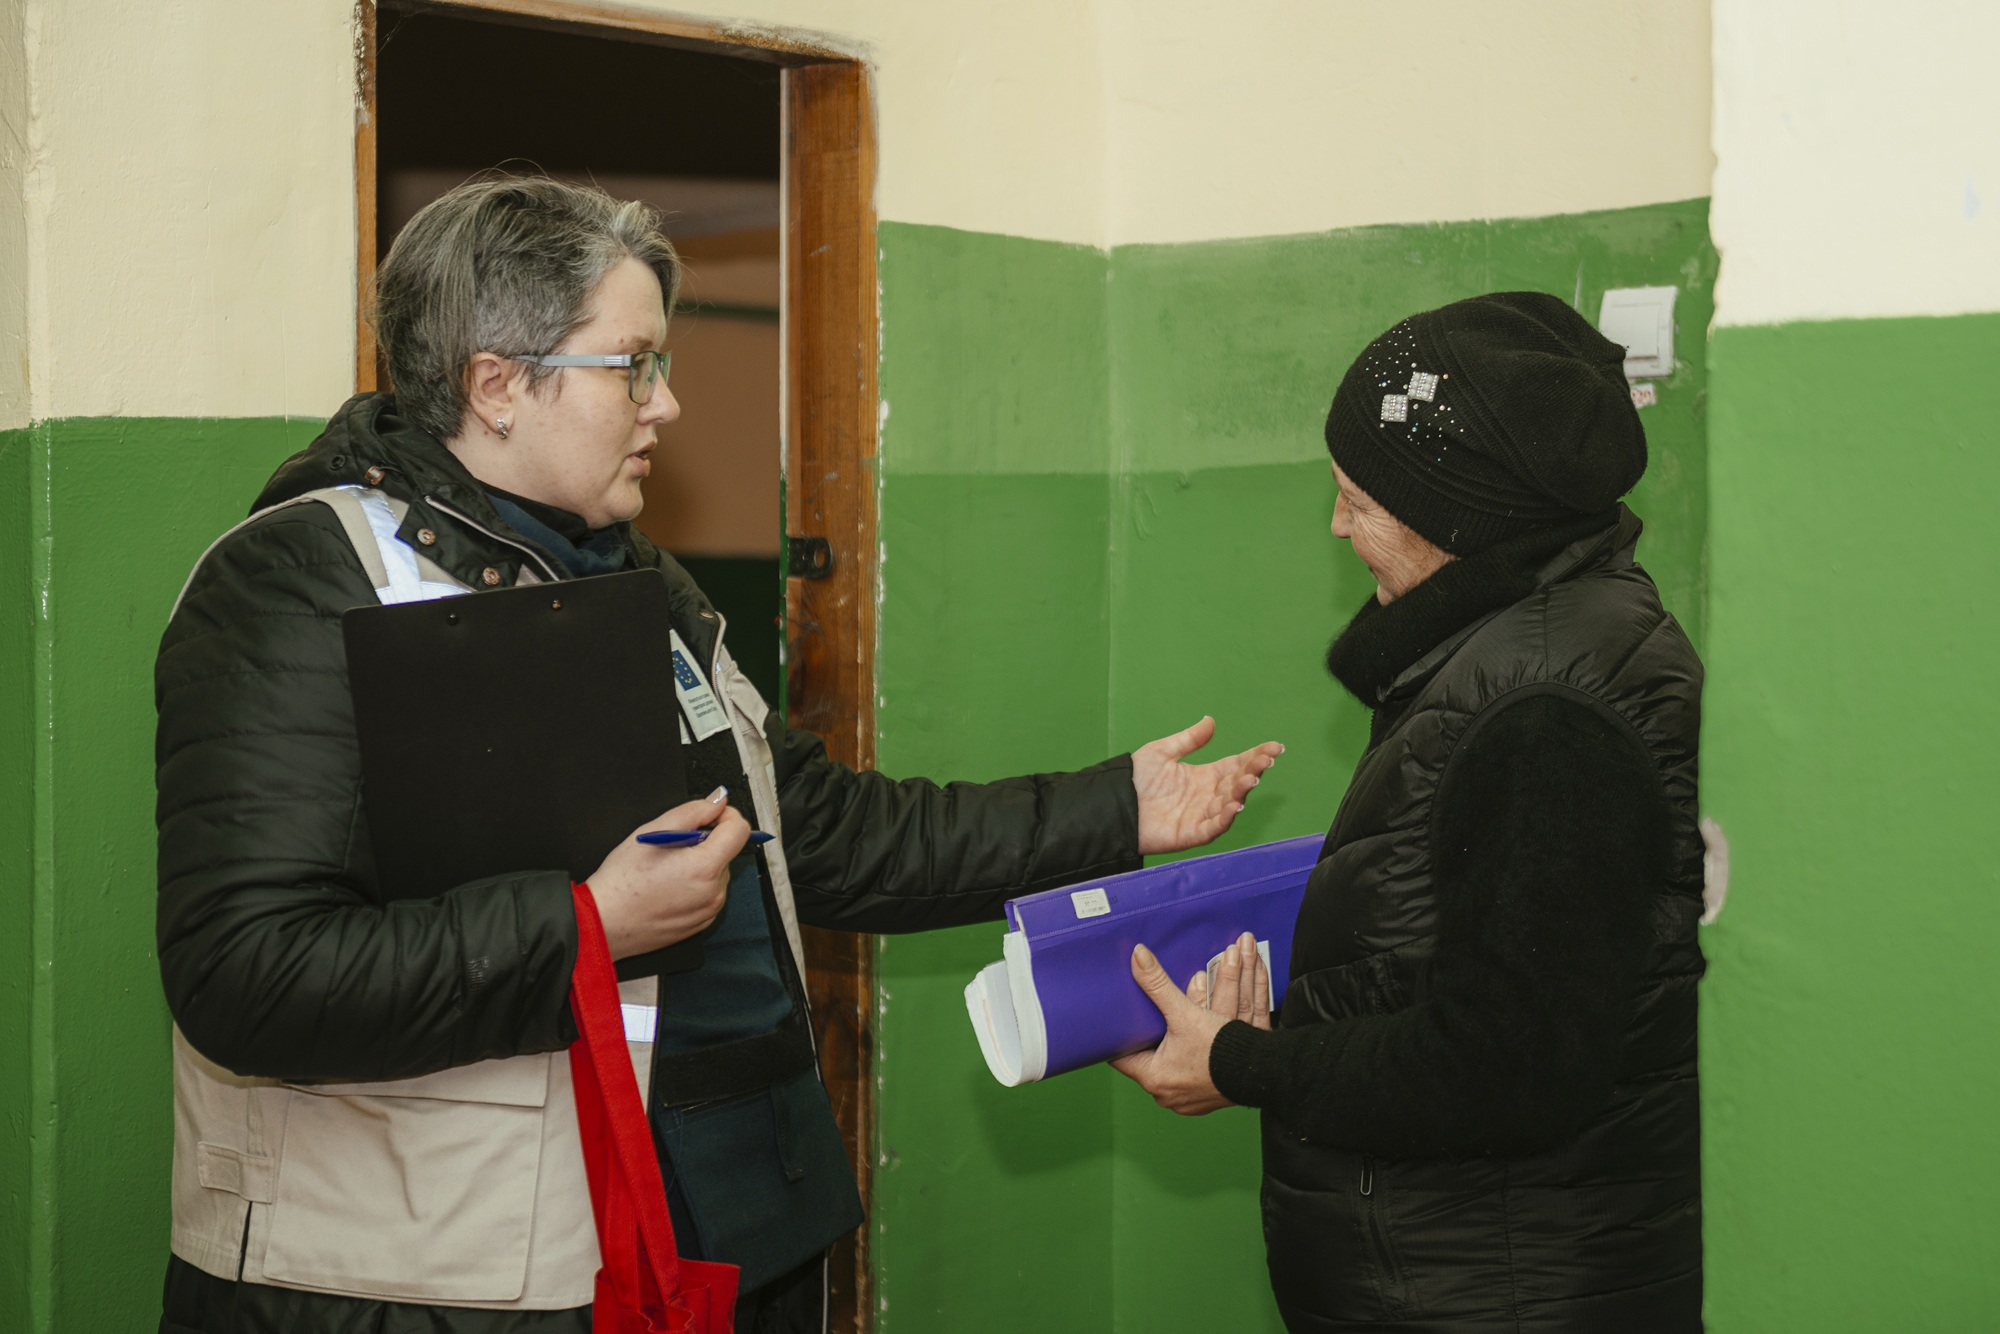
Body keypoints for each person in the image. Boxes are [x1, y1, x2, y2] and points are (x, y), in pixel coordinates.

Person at [154, 175, 1282, 1334]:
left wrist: (1114, 808)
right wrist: (586, 926)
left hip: (714, 1233)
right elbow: (246, 972)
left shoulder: (631, 576)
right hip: (425, 1285)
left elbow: (824, 834)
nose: (668, 404)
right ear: (495, 382)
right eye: (631, 364)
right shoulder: (303, 585)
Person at [1114, 292, 1705, 1332]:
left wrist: (1237, 1060)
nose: (1336, 524)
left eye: (1357, 497)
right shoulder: (1539, 646)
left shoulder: (1542, 713)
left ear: (1463, 515)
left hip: (1502, 1293)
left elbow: (1508, 1061)